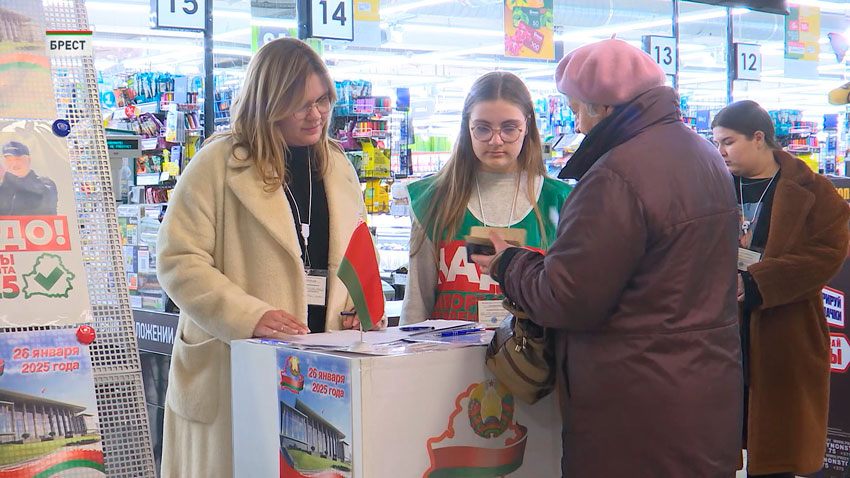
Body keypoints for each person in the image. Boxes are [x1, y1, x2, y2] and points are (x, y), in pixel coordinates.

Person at [472, 39, 743, 476]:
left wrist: (509, 263)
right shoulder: (703, 155)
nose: (576, 125)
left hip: (634, 410)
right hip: (702, 392)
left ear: (602, 108)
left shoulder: (615, 177)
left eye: (577, 110)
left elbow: (567, 297)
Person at [156, 38, 376, 478]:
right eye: (299, 105)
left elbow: (354, 249)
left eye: (323, 101)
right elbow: (179, 260)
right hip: (232, 361)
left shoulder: (337, 165)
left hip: (318, 367)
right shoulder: (217, 164)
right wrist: (246, 316)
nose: (316, 115)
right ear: (268, 103)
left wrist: (356, 307)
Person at [712, 100, 850, 478]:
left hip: (786, 331)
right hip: (720, 330)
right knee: (716, 441)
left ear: (759, 138)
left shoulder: (815, 191)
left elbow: (827, 254)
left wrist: (759, 282)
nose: (719, 152)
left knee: (777, 449)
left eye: (728, 142)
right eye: (716, 143)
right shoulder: (712, 187)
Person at [400, 71, 571, 325]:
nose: (496, 140)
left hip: (533, 360)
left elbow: (568, 299)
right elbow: (417, 301)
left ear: (527, 126)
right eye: (483, 128)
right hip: (445, 360)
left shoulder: (560, 200)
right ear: (467, 126)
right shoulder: (431, 198)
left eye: (509, 128)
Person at [0, 141, 58, 216]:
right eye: (9, 160)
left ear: (29, 159)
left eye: (18, 159)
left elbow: (46, 206)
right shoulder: (3, 187)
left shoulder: (45, 184)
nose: (14, 163)